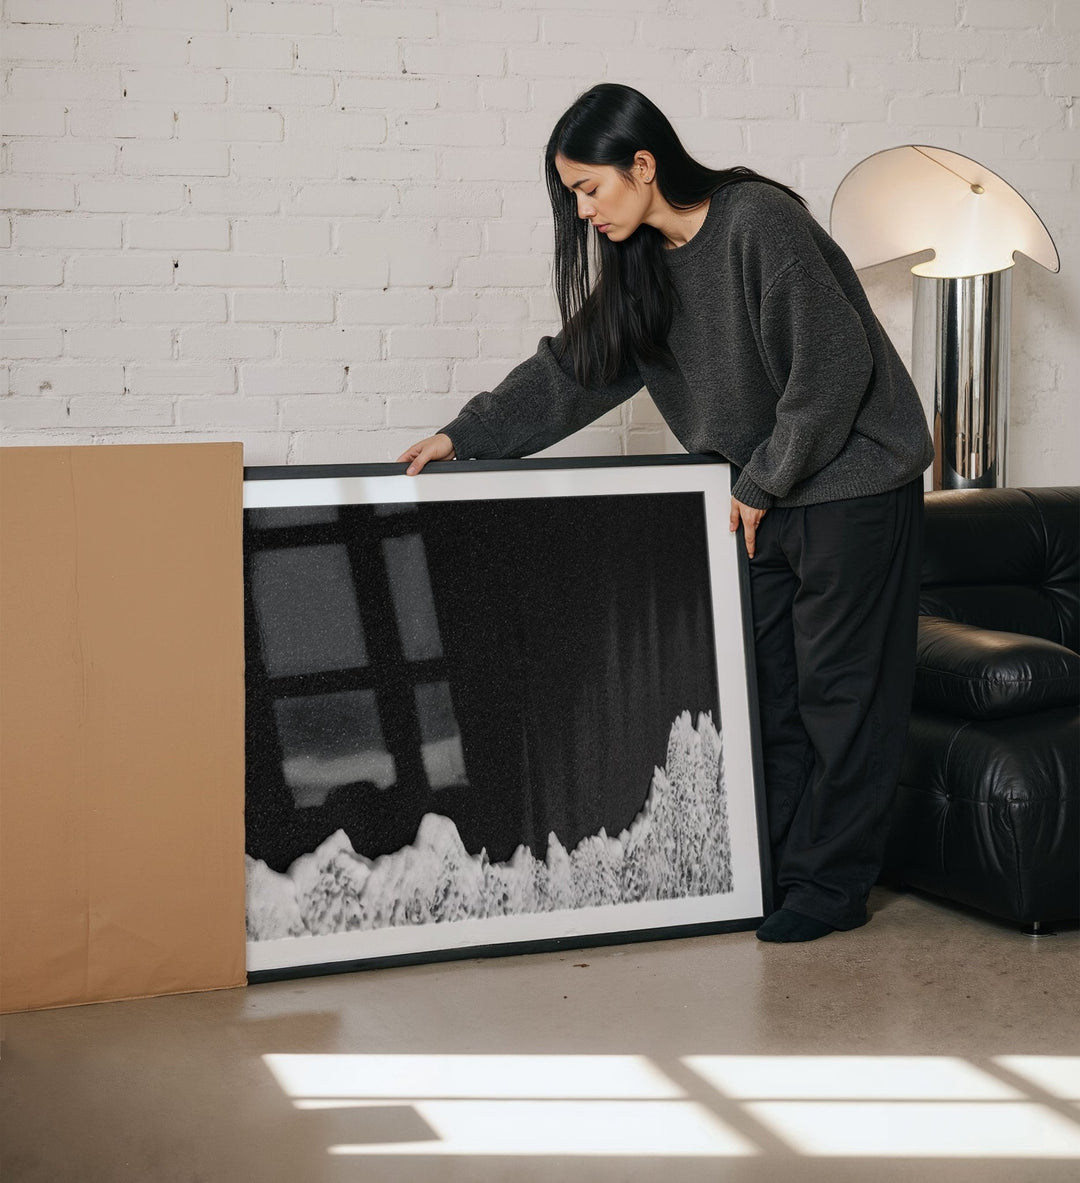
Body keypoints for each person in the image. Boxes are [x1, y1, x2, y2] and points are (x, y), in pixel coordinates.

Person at [397, 83, 934, 943]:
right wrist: (468, 436)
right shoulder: (642, 263)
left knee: (843, 695)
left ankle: (829, 888)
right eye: (571, 195)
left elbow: (831, 371)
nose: (582, 212)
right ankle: (779, 872)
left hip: (851, 479)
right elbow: (575, 369)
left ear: (643, 165)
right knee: (770, 696)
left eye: (590, 188)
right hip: (764, 491)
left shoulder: (757, 222)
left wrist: (761, 482)